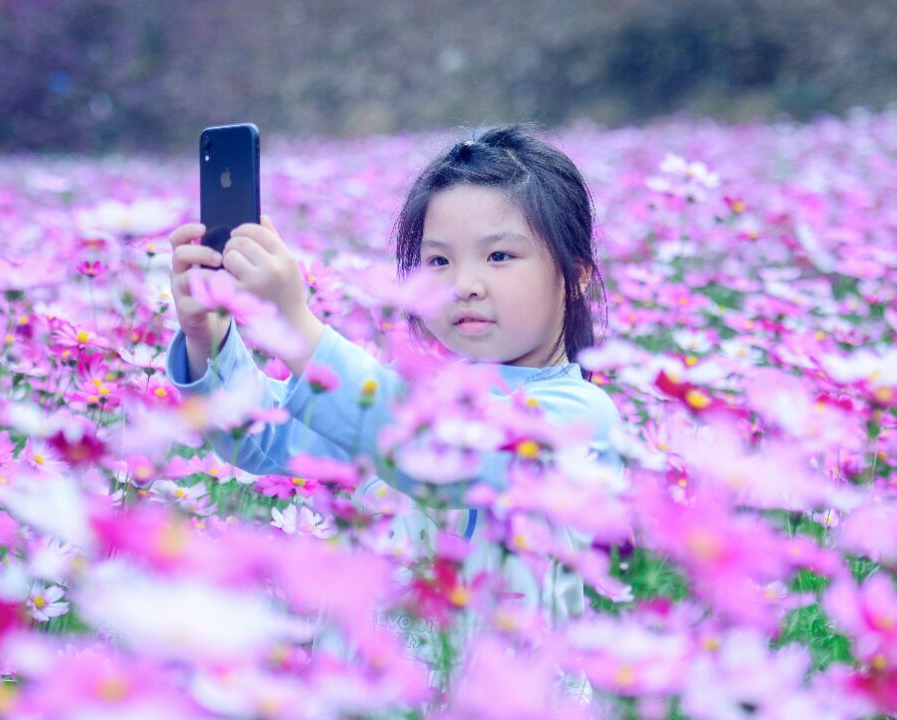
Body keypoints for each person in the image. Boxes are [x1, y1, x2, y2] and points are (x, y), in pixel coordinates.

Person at [162, 122, 625, 701]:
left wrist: (297, 327)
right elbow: (259, 438)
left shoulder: (582, 416)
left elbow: (443, 458)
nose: (465, 285)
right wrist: (209, 337)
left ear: (576, 276)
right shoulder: (403, 395)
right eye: (437, 261)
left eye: (500, 255)